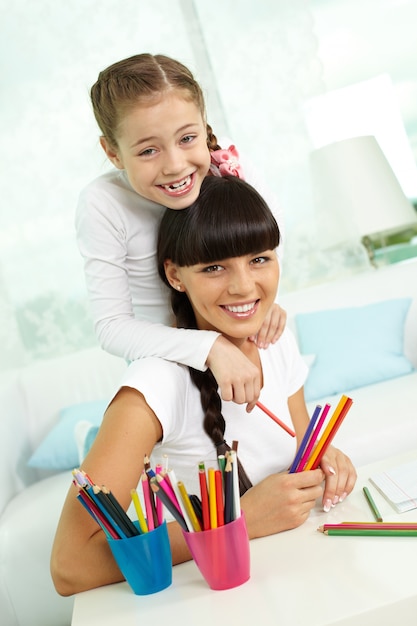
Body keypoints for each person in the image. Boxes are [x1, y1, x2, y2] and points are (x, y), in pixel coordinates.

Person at [51, 175, 356, 596]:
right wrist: (242, 520)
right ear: (175, 275)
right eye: (214, 267)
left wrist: (329, 463)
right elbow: (70, 566)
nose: (244, 286)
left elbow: (305, 449)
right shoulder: (155, 383)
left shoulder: (275, 338)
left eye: (260, 259)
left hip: (309, 582)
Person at [76, 53, 286, 411]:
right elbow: (112, 327)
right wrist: (208, 347)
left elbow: (270, 246)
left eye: (187, 138)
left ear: (205, 127)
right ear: (112, 152)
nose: (175, 165)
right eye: (148, 150)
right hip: (170, 368)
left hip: (241, 344)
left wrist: (270, 304)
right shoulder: (103, 203)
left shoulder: (234, 168)